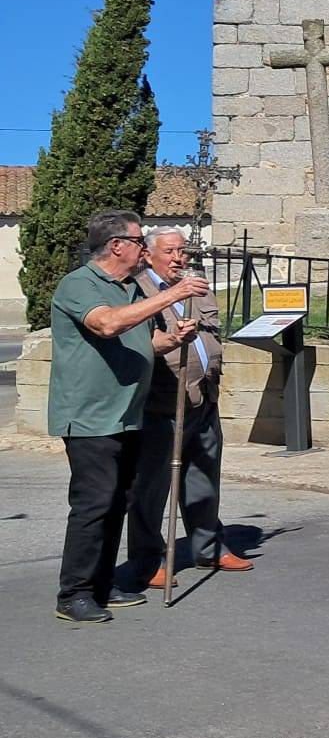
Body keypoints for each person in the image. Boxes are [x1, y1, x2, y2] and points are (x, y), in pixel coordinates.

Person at [47, 209, 206, 624]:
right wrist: (171, 294)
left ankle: (101, 584)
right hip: (90, 417)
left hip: (127, 415)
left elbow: (145, 339)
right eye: (138, 241)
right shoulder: (80, 284)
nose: (142, 248)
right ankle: (74, 593)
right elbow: (106, 325)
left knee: (118, 501)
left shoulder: (128, 288)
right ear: (117, 245)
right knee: (94, 504)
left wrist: (173, 338)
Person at [128, 225, 247, 585]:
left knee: (204, 477)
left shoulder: (197, 286)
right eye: (171, 252)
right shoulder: (140, 291)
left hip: (203, 397)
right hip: (163, 401)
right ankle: (149, 561)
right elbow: (145, 341)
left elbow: (211, 332)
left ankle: (209, 547)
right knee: (153, 485)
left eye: (183, 252)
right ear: (148, 255)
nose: (180, 259)